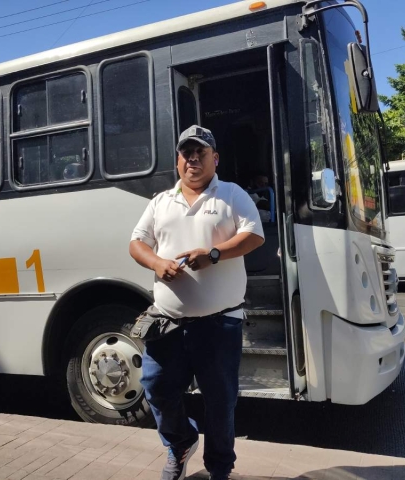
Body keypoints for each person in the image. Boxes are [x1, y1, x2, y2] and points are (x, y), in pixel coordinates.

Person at [129, 125, 265, 480]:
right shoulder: (160, 201)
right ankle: (181, 443)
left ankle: (219, 469)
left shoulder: (232, 195)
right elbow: (137, 243)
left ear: (214, 158)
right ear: (178, 160)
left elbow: (254, 235)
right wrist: (158, 262)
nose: (192, 158)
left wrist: (214, 254)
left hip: (219, 324)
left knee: (220, 404)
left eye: (200, 152)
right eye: (186, 152)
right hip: (168, 322)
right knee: (156, 387)